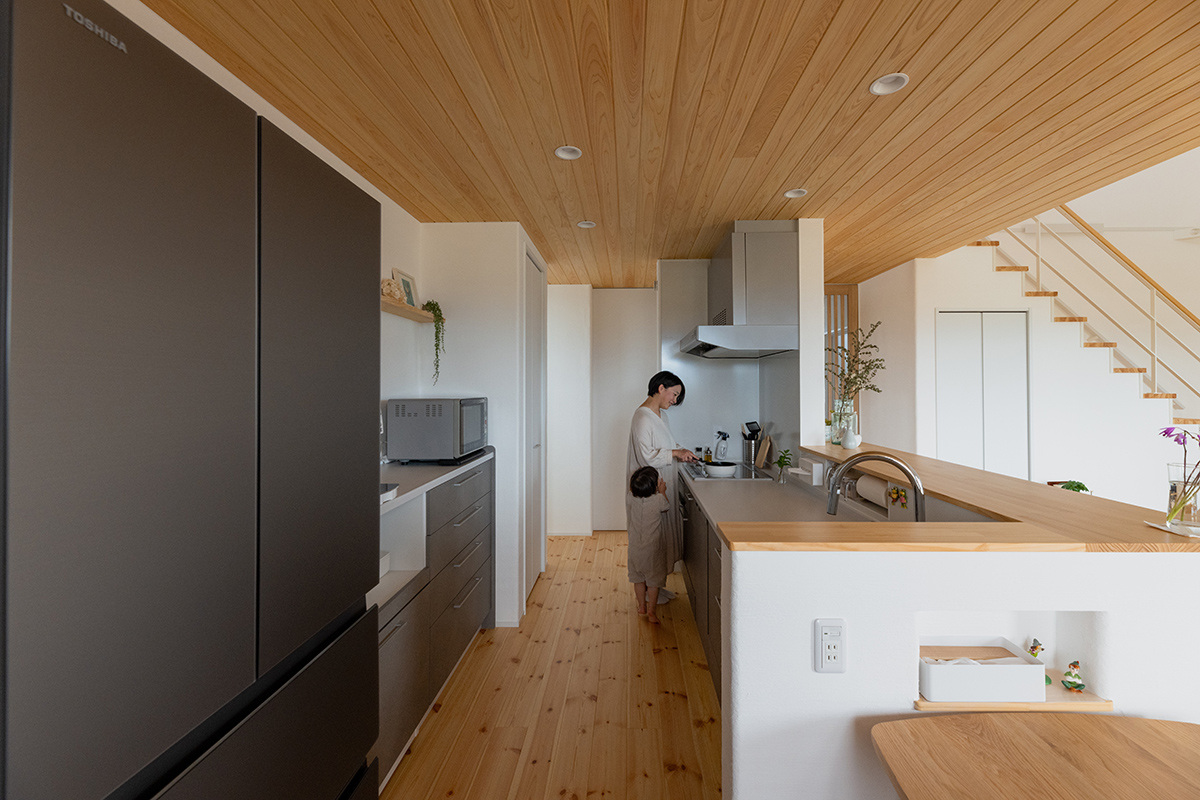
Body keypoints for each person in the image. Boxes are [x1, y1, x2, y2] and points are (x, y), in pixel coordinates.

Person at [626, 370, 698, 604]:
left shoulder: (660, 416)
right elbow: (646, 456)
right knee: (650, 541)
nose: (675, 400)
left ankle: (655, 586)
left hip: (662, 485)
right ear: (661, 388)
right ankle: (648, 592)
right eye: (674, 394)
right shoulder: (642, 417)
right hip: (648, 490)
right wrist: (675, 453)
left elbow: (667, 443)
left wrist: (682, 450)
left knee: (661, 539)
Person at [627, 465, 670, 623]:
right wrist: (662, 491)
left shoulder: (631, 498)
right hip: (652, 551)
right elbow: (666, 507)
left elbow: (632, 491)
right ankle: (651, 611)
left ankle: (641, 606)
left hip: (634, 549)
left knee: (638, 579)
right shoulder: (658, 500)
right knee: (653, 582)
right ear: (654, 486)